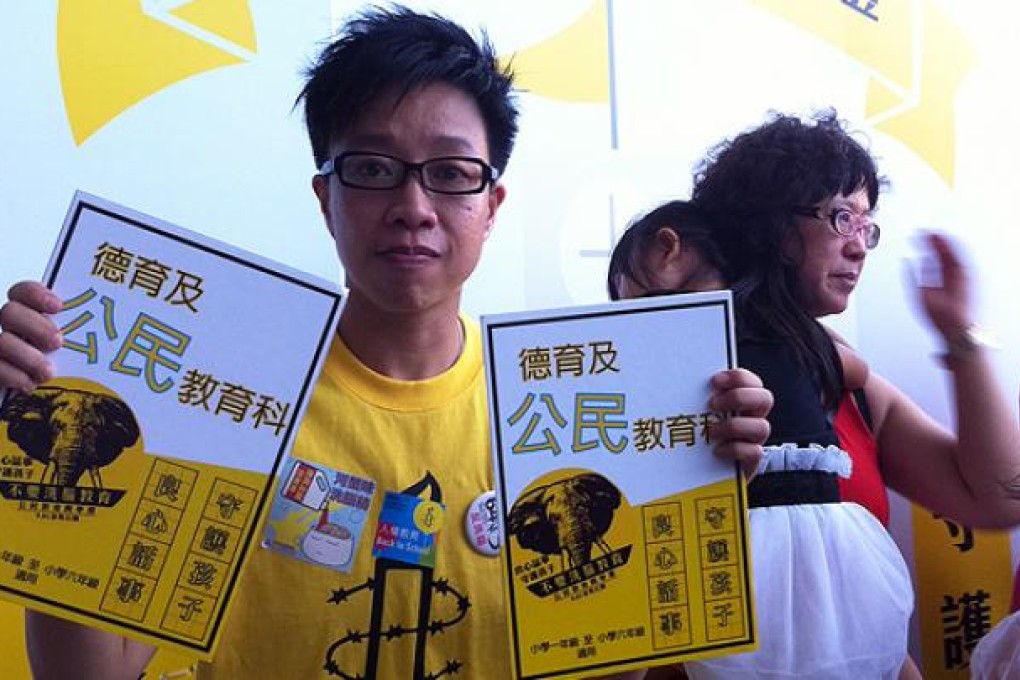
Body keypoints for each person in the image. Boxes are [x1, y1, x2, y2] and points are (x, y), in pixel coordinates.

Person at [0, 7, 774, 679]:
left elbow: (605, 670)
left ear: (491, 202)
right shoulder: (223, 396)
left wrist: (685, 486)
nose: (413, 205)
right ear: (324, 197)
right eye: (372, 168)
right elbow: (86, 672)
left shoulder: (566, 413)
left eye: (450, 172)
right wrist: (52, 444)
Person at [677, 110, 1020, 678]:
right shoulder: (682, 377)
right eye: (841, 219)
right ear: (768, 224)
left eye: (867, 226)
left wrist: (959, 332)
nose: (860, 248)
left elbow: (1002, 497)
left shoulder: (853, 387)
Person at [607, 199, 920, 680]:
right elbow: (855, 371)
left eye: (627, 297)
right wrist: (817, 350)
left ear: (667, 251)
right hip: (832, 541)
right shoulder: (784, 326)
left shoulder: (677, 346)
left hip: (743, 544)